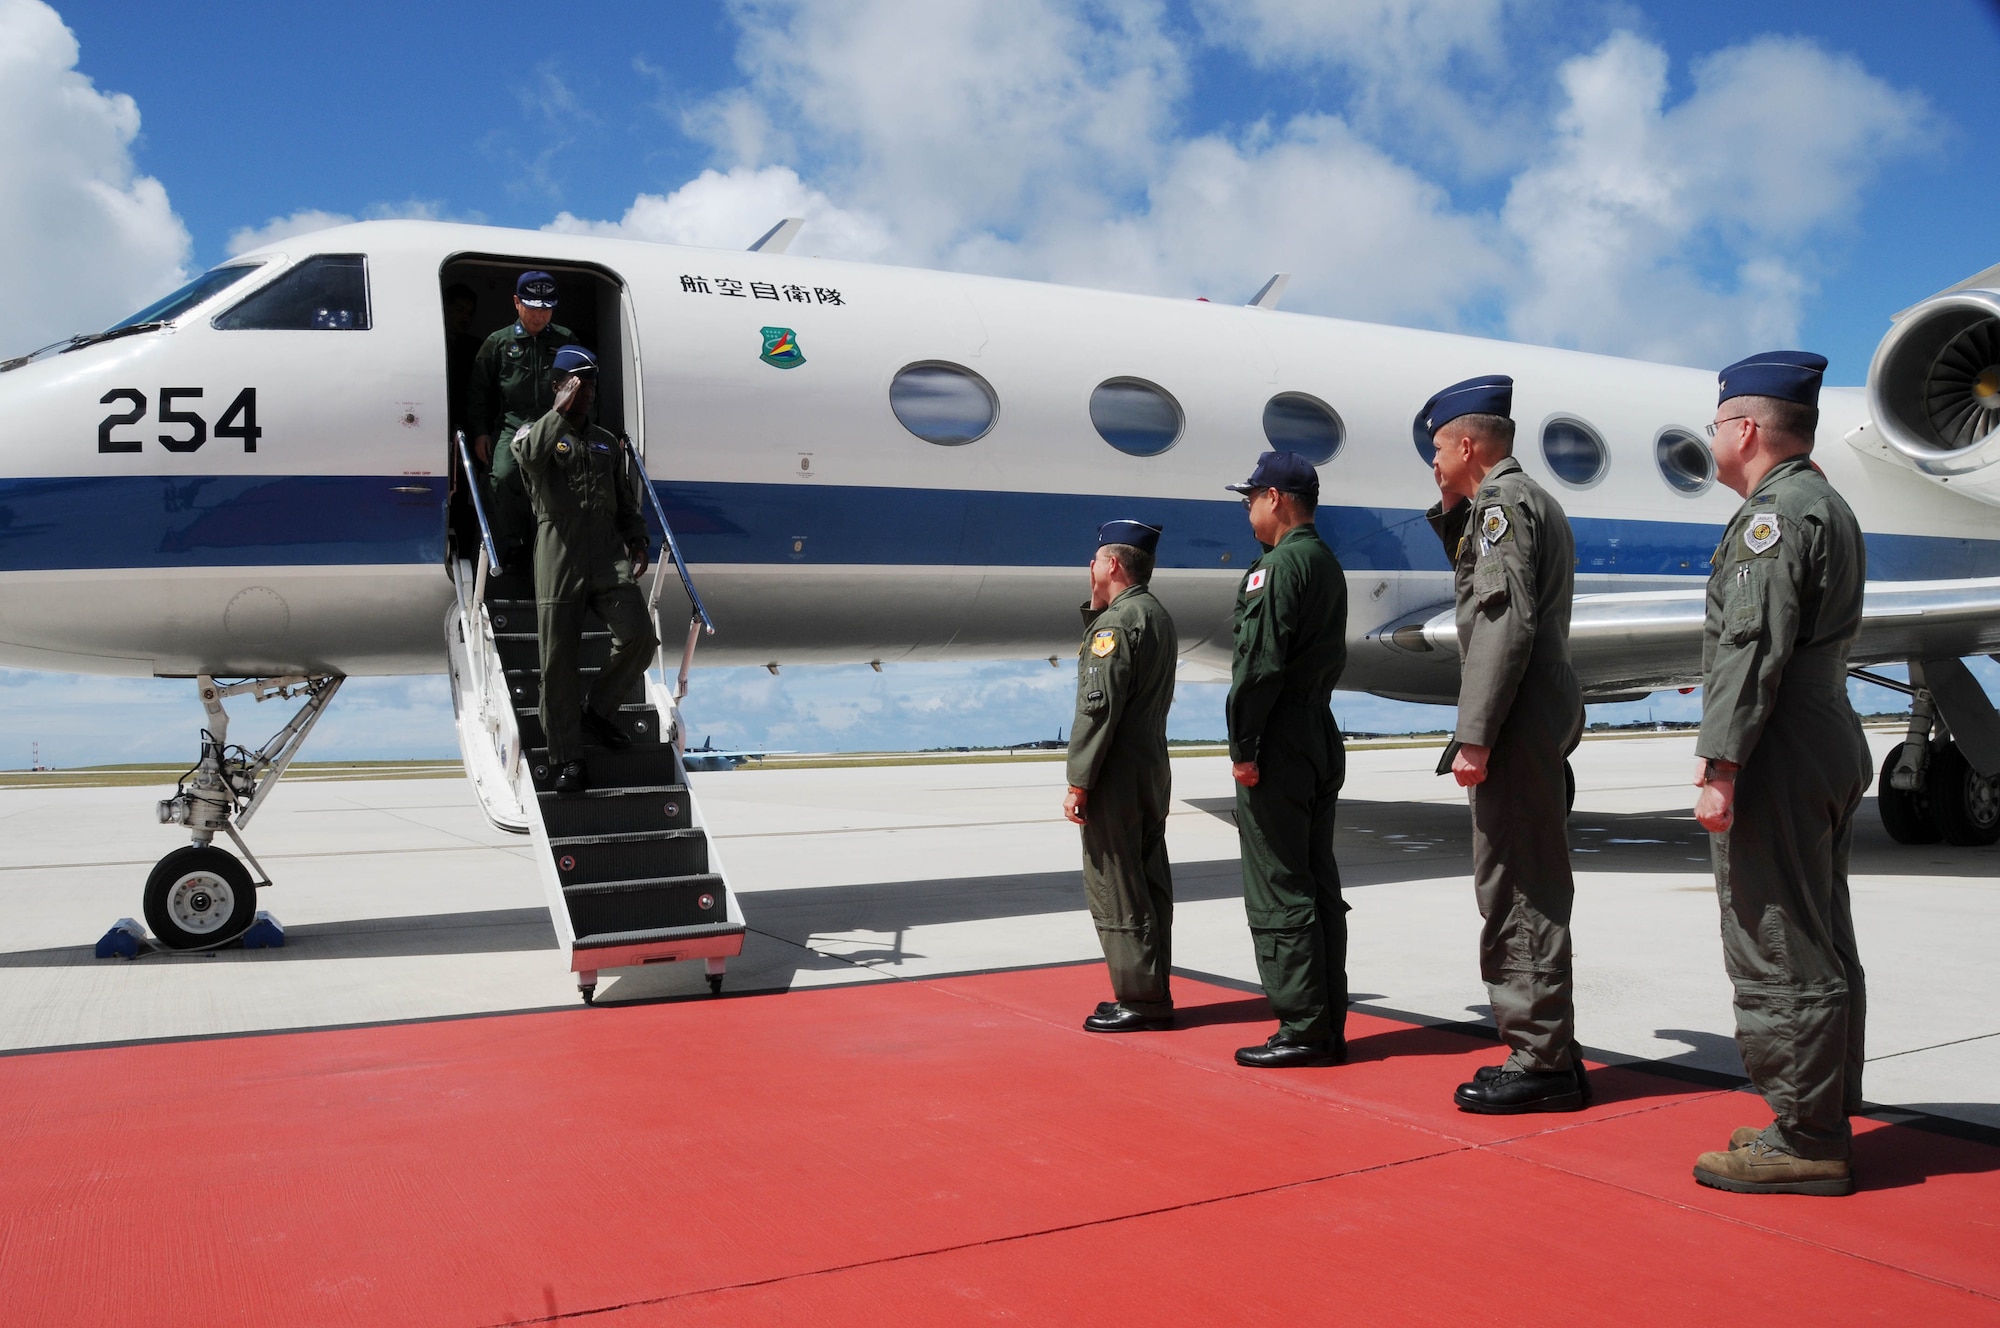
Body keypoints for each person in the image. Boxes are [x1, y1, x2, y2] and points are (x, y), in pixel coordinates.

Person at [1689, 351, 1869, 1197]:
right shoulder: (1817, 501)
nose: (1713, 437)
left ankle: (1804, 1137)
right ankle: (1821, 1111)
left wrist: (1721, 763)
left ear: (1747, 429)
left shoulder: (1775, 517)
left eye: (1719, 422)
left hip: (1778, 746)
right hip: (1819, 732)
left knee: (1777, 940)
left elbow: (1752, 644)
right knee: (1819, 934)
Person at [1421, 375, 1590, 1114]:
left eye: (1437, 450)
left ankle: (1542, 1061)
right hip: (1530, 712)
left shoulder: (1502, 505)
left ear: (1467, 445)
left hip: (1515, 718)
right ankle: (1541, 1047)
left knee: (1517, 888)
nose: (1433, 465)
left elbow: (1500, 621)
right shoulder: (1518, 502)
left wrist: (1474, 734)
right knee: (1523, 883)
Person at [1223, 451, 1350, 1068]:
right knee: (1318, 880)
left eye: (1250, 496)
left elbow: (1258, 666)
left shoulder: (1277, 568)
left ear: (1275, 498)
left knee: (1278, 882)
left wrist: (1244, 747)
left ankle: (1302, 1026)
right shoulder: (1325, 563)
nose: (1247, 508)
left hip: (1279, 736)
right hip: (1318, 727)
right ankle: (1326, 1020)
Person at [511, 346, 660, 796]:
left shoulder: (603, 440)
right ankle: (567, 759)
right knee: (557, 662)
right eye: (578, 383)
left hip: (605, 552)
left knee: (639, 636)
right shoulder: (531, 434)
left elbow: (623, 496)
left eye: (591, 384)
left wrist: (636, 537)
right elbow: (531, 459)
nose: (587, 392)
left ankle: (597, 709)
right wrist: (557, 412)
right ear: (558, 385)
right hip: (559, 550)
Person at [1063, 520, 1179, 1033]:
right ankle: (1152, 987)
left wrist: (1078, 780)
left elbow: (1097, 708)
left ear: (1112, 565)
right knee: (1149, 879)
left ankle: (1140, 998)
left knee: (1116, 881)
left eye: (1095, 560)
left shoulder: (1116, 625)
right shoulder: (1154, 615)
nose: (1090, 568)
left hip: (1115, 771)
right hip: (1150, 766)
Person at [468, 271, 579, 561]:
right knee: (502, 478)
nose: (539, 316)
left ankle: (556, 549)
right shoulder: (498, 342)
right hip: (513, 423)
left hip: (555, 423)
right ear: (516, 303)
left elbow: (584, 388)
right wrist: (480, 431)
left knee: (568, 477)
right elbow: (479, 392)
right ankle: (513, 543)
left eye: (546, 309)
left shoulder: (566, 340)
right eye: (532, 307)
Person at [442, 282, 481, 440]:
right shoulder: (429, 345)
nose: (465, 318)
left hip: (466, 420)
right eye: (460, 310)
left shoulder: (475, 348)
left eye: (469, 313)